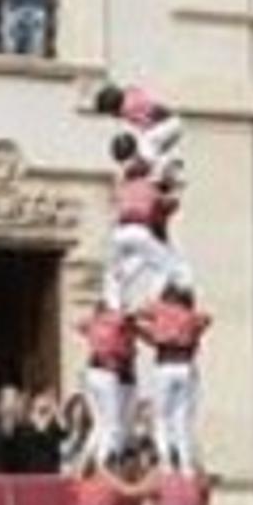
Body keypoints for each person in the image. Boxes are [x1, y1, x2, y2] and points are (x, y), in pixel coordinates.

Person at [104, 138, 193, 313]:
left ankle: (114, 306)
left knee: (118, 272)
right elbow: (168, 205)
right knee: (170, 267)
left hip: (120, 232)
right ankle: (152, 302)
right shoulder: (151, 189)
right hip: (140, 232)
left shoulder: (124, 186)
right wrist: (173, 189)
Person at [135, 286, 212, 472]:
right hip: (186, 366)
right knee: (182, 419)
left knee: (161, 417)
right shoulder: (192, 318)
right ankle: (186, 465)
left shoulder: (161, 310)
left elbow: (140, 313)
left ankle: (167, 461)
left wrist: (141, 323)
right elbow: (205, 321)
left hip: (166, 365)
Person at [95, 84, 185, 193]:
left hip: (168, 124)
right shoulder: (130, 94)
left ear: (115, 105)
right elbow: (134, 90)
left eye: (111, 112)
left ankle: (155, 174)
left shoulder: (128, 108)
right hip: (173, 124)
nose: (112, 116)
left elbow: (145, 125)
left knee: (147, 141)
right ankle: (167, 174)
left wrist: (139, 160)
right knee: (158, 150)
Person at [80, 304, 137, 463]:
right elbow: (125, 353)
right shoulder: (115, 328)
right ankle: (103, 464)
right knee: (113, 426)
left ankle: (84, 462)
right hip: (109, 374)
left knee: (101, 424)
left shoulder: (94, 325)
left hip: (93, 372)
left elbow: (80, 326)